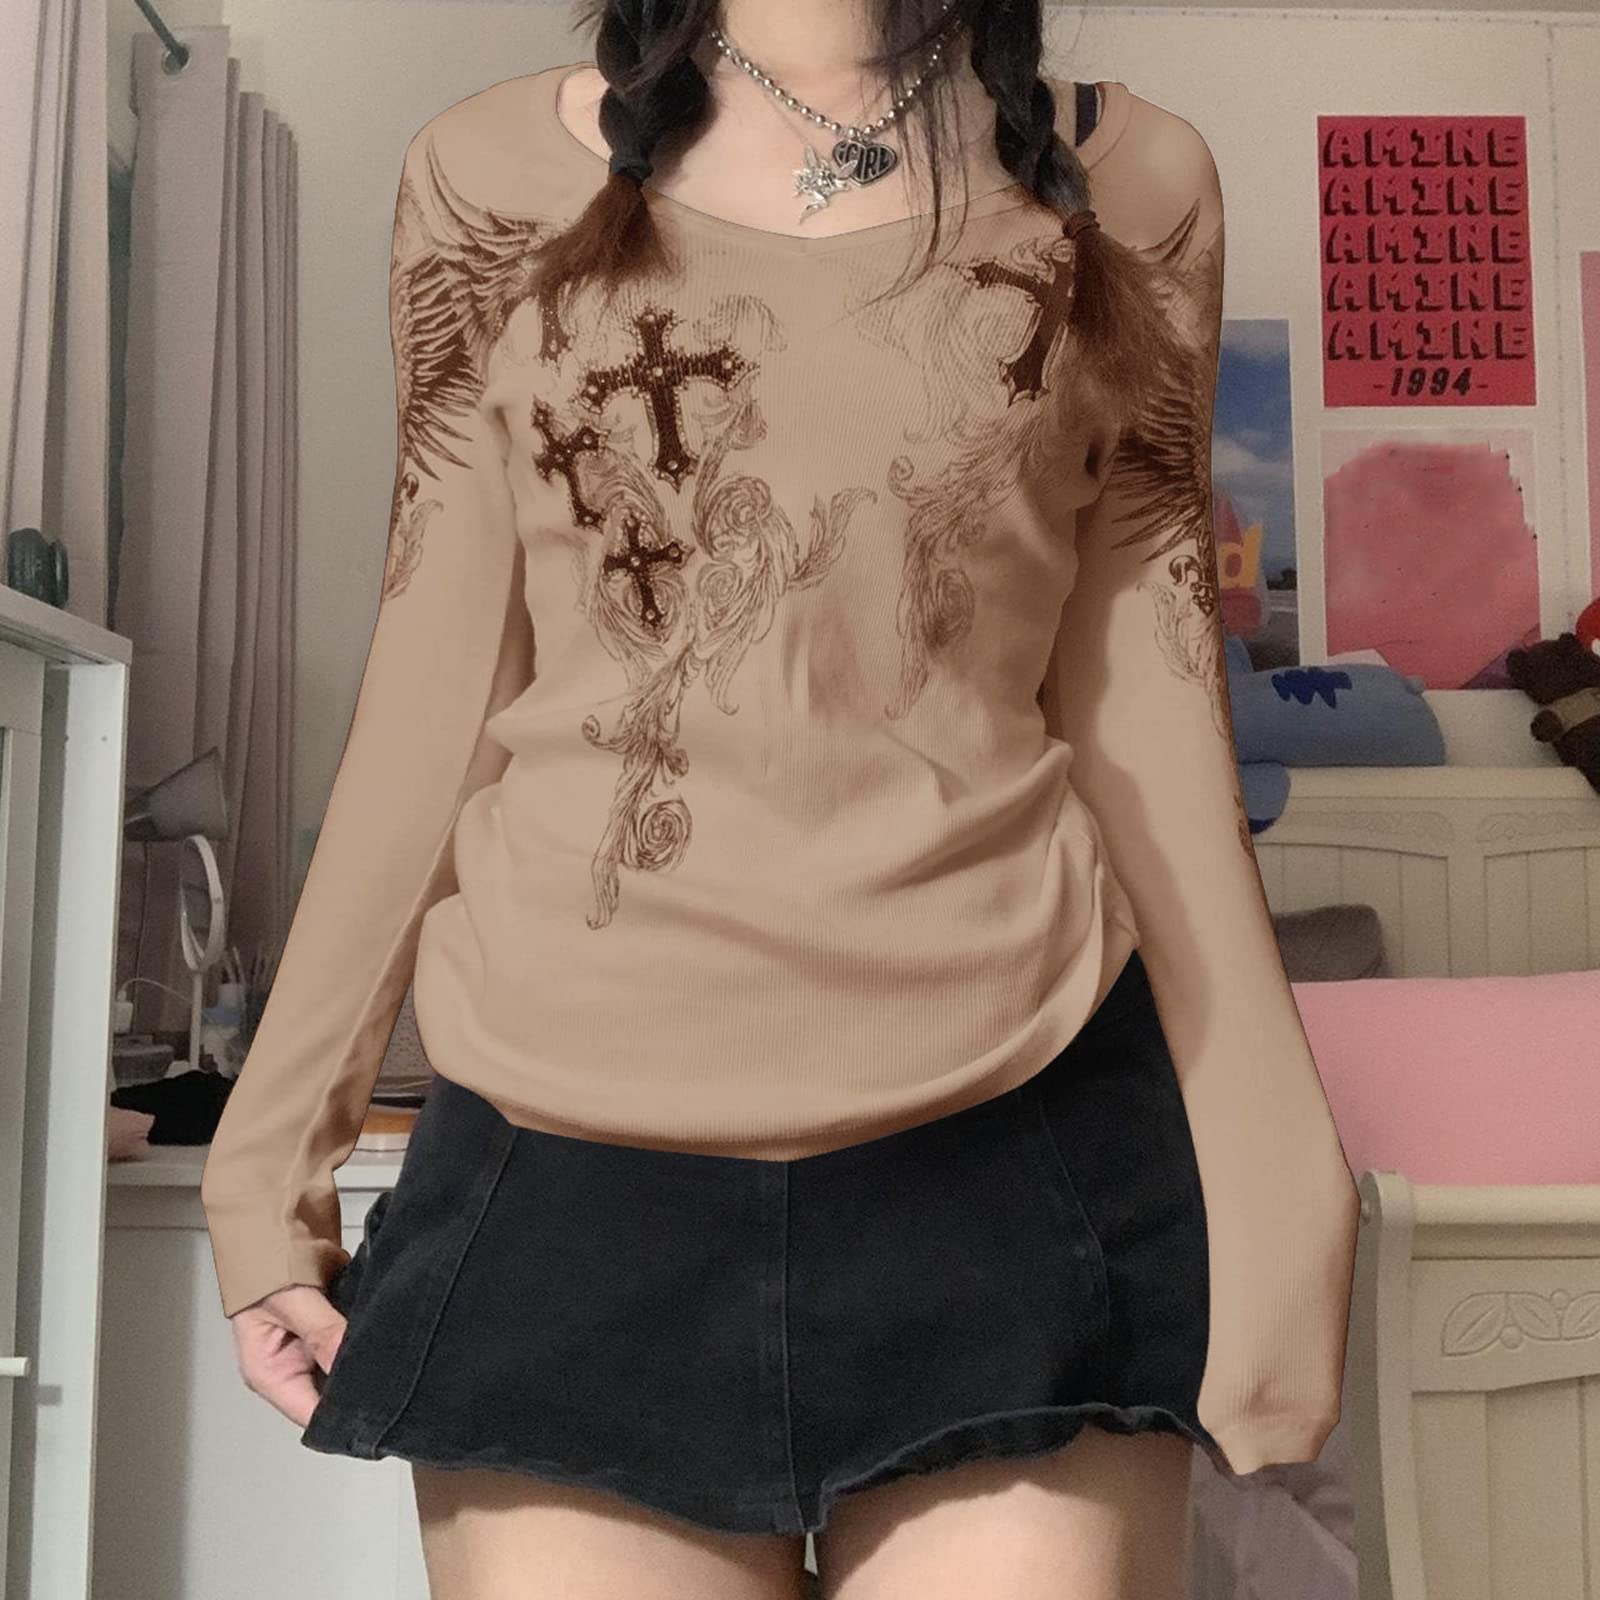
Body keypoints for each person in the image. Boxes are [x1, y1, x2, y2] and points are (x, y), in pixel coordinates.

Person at [200, 5, 1360, 1596]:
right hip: (566, 1160)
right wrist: (265, 1161)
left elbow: (1151, 712)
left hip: (1018, 1140)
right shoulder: (486, 176)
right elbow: (433, 679)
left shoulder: (1138, 180)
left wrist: (1284, 1178)